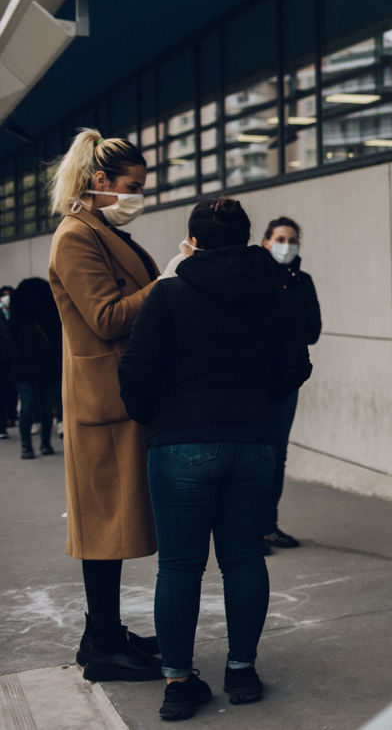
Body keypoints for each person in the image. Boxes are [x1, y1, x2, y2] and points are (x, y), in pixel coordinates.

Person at [119, 197, 312, 721]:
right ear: (247, 237)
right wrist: (259, 403)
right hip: (253, 439)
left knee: (180, 566)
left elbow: (136, 369)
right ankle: (242, 671)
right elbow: (296, 365)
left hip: (180, 440)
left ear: (194, 241)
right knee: (244, 559)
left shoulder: (169, 293)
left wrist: (155, 416)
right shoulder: (273, 292)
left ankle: (178, 683)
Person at [46, 129, 163, 682]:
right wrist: (168, 282)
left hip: (114, 396)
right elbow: (107, 317)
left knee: (110, 522)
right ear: (100, 181)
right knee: (103, 526)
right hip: (102, 400)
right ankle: (104, 645)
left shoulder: (97, 230)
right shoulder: (76, 235)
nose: (138, 196)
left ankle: (102, 635)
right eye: (132, 186)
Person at [259, 216, 320, 551]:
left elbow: (313, 330)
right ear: (266, 242)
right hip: (255, 380)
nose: (286, 245)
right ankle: (248, 527)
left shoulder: (302, 282)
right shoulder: (255, 278)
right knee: (256, 453)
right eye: (280, 239)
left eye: (292, 240)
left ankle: (268, 524)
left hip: (286, 380)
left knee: (277, 453)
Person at [11, 277, 62, 459]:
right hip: (47, 369)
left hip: (24, 371)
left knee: (28, 406)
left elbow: (10, 346)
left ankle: (27, 446)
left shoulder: (17, 320)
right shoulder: (52, 317)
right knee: (45, 407)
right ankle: (44, 444)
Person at [0, 284, 15, 438]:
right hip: (3, 359)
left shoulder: (17, 314)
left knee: (11, 390)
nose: (7, 298)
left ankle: (11, 416)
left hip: (13, 360)